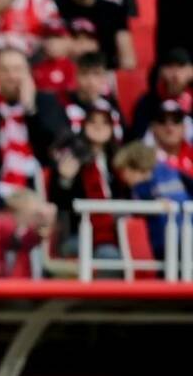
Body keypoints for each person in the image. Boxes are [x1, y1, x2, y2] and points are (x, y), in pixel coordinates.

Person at [0, 48, 69, 202]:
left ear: (28, 73)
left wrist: (30, 110)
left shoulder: (47, 103)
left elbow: (53, 146)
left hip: (42, 188)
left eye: (17, 69)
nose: (11, 76)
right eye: (5, 70)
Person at [48, 102, 124, 257]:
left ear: (112, 128)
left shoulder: (118, 162)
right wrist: (65, 180)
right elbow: (58, 204)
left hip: (116, 231)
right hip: (77, 232)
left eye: (105, 122)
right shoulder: (70, 158)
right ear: (83, 125)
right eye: (92, 121)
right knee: (109, 255)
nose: (98, 126)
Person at [113, 141, 192, 259]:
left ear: (136, 167)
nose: (123, 177)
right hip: (177, 241)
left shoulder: (141, 187)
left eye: (124, 171)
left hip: (168, 243)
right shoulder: (174, 172)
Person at [57, 0, 135, 70]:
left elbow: (128, 59)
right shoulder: (54, 8)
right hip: (65, 75)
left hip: (104, 73)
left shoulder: (114, 10)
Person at [131, 48, 193, 142]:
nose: (175, 74)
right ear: (160, 71)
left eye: (181, 67)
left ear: (191, 71)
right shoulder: (147, 103)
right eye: (170, 67)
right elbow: (139, 139)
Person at [64, 52, 125, 141]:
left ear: (105, 77)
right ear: (76, 76)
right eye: (84, 74)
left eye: (96, 74)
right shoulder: (63, 104)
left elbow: (124, 138)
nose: (91, 81)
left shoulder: (111, 105)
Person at [149, 101, 193, 177]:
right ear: (153, 128)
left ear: (184, 127)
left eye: (176, 120)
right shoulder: (145, 162)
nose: (169, 127)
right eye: (162, 120)